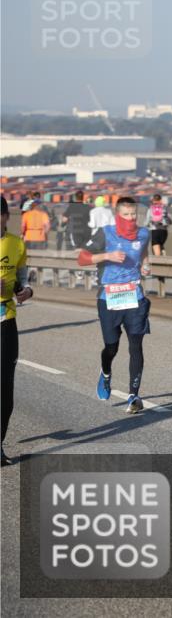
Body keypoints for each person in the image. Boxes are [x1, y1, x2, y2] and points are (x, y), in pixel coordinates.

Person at [77, 196, 152, 415]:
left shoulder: (143, 233)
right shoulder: (105, 232)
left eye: (133, 214)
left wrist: (146, 266)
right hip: (108, 296)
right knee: (112, 346)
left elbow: (144, 252)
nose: (130, 219)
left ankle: (134, 395)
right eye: (126, 215)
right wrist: (107, 255)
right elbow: (82, 258)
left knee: (136, 344)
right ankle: (106, 373)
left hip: (134, 295)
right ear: (117, 215)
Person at [1, 196, 34, 466]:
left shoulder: (15, 243)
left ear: (5, 218)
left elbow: (23, 278)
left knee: (5, 386)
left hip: (5, 318)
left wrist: (26, 290)